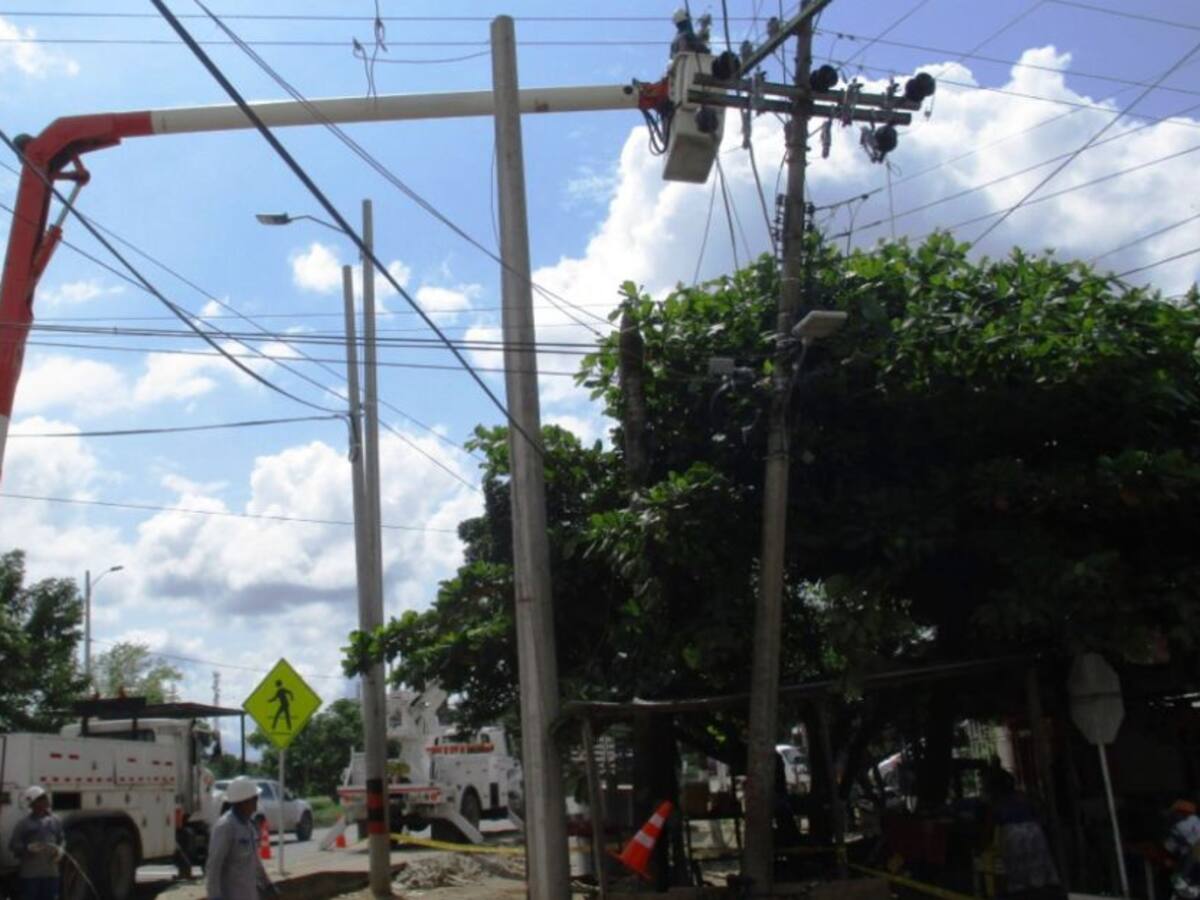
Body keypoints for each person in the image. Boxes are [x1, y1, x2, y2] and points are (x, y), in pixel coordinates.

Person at [985, 769, 1063, 900]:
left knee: (1018, 880)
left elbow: (989, 826)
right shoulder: (1024, 797)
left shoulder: (997, 803)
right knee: (1038, 876)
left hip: (1013, 837)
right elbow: (1042, 815)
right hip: (1035, 833)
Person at [206, 776, 277, 900]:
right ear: (243, 802)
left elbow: (255, 861)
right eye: (254, 799)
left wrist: (267, 884)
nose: (257, 803)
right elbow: (214, 866)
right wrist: (215, 897)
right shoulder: (226, 826)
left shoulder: (248, 825)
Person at [7, 786, 64, 900]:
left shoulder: (55, 821)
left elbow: (61, 840)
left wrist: (60, 851)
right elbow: (13, 845)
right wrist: (27, 848)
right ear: (33, 803)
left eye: (45, 798)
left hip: (51, 874)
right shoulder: (24, 824)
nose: (45, 801)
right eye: (41, 799)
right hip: (30, 875)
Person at [1164, 799, 1200, 899]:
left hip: (1192, 859)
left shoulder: (1191, 821)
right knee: (1177, 878)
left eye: (1175, 813)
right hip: (1187, 861)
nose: (1173, 816)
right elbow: (1170, 847)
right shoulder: (1179, 827)